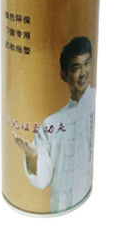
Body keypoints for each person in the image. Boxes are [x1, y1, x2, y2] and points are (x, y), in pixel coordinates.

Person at [12, 36, 96, 212]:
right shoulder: (52, 123)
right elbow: (42, 179)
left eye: (86, 64)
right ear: (64, 75)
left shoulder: (96, 103)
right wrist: (33, 155)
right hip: (58, 208)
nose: (83, 73)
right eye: (76, 68)